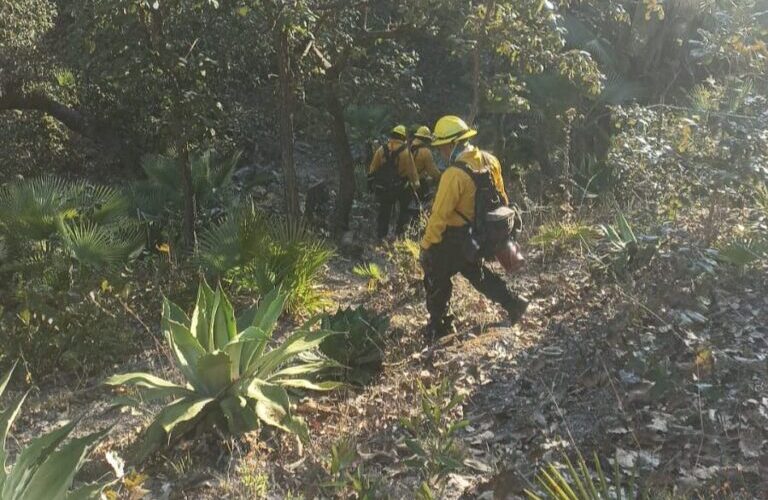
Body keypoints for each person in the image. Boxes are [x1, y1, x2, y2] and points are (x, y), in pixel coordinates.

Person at [420, 115, 528, 339]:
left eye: (442, 147)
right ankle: (514, 303)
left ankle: (439, 327)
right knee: (478, 275)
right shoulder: (490, 160)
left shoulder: (453, 174)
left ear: (452, 144)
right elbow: (502, 196)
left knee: (436, 278)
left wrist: (427, 245)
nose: (441, 152)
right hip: (478, 234)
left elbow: (439, 215)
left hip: (453, 239)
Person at [368, 125, 420, 239]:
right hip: (400, 187)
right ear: (403, 138)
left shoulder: (381, 150)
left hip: (384, 187)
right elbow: (412, 173)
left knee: (384, 212)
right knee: (405, 209)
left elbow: (372, 170)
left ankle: (381, 237)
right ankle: (399, 234)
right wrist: (416, 185)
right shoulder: (406, 152)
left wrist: (372, 186)